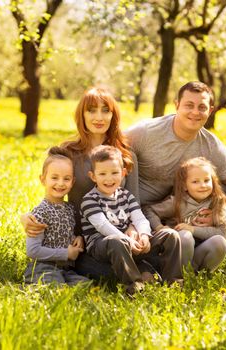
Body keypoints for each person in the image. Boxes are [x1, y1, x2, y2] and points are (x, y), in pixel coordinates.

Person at [21, 87, 182, 282]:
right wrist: (26, 217)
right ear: (82, 114)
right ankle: (140, 274)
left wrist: (133, 230)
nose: (99, 117)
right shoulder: (67, 152)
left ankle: (151, 273)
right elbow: (53, 192)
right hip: (85, 242)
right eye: (91, 110)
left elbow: (133, 202)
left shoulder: (125, 155)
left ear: (113, 115)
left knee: (157, 243)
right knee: (108, 270)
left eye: (105, 110)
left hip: (124, 234)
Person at [126, 81, 226, 266]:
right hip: (140, 212)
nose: (195, 112)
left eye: (202, 107)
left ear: (210, 111)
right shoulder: (145, 133)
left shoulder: (212, 147)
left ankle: (188, 262)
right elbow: (106, 156)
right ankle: (160, 262)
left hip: (183, 215)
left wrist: (219, 214)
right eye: (189, 105)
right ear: (177, 105)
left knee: (222, 190)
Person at [81, 145, 160, 294]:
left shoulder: (126, 195)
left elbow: (140, 218)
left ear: (123, 173)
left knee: (168, 236)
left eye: (114, 172)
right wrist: (127, 240)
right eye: (102, 174)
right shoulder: (89, 200)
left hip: (126, 240)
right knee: (117, 242)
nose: (109, 179)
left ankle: (172, 281)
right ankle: (134, 286)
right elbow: (103, 226)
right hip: (101, 244)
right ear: (93, 176)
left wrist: (144, 235)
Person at [144, 157, 226, 272]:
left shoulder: (218, 203)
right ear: (185, 186)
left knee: (220, 243)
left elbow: (223, 233)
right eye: (195, 181)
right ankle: (178, 275)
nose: (203, 185)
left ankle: (197, 275)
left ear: (213, 181)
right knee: (185, 236)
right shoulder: (177, 202)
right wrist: (159, 227)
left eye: (206, 180)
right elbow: (148, 210)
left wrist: (193, 229)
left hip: (201, 252)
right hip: (178, 254)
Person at [24, 146, 90, 286]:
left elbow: (65, 235)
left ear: (72, 182)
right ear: (43, 180)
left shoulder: (70, 209)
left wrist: (77, 239)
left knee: (86, 286)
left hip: (65, 269)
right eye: (54, 178)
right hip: (43, 267)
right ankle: (30, 285)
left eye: (66, 179)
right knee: (56, 287)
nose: (60, 183)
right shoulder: (40, 213)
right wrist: (66, 253)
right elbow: (33, 250)